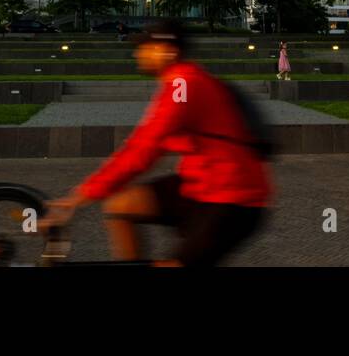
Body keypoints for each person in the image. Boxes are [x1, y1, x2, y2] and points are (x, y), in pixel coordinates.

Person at [40, 20, 272, 266]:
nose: (138, 53)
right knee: (121, 205)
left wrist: (77, 198)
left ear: (168, 50)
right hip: (198, 184)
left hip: (232, 198)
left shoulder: (184, 84)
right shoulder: (179, 82)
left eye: (146, 46)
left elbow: (144, 149)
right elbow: (147, 145)